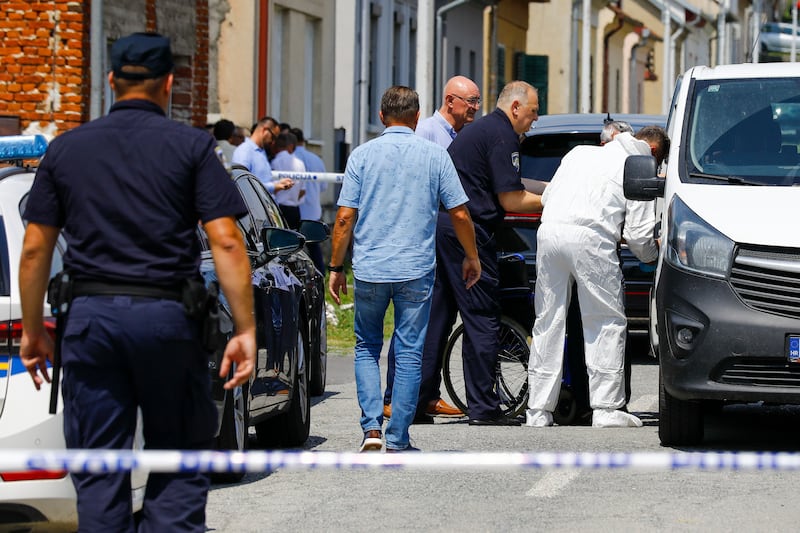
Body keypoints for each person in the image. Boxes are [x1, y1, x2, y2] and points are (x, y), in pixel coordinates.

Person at [18, 32, 256, 531]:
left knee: (100, 469)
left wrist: (34, 328)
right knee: (178, 460)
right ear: (169, 82)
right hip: (169, 320)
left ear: (110, 80)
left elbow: (37, 247)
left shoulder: (66, 149)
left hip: (91, 323)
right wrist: (245, 330)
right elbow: (228, 242)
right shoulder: (192, 146)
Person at [328, 85, 481, 452]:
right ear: (416, 117)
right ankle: (398, 436)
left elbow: (345, 217)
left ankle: (371, 430)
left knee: (366, 346)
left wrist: (335, 266)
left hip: (370, 267)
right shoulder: (434, 155)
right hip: (415, 267)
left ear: (382, 117)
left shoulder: (362, 156)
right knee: (410, 351)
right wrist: (471, 255)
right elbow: (459, 212)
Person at [525, 125, 670, 429]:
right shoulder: (640, 165)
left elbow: (549, 195)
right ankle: (606, 408)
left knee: (548, 321)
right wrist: (655, 255)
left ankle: (538, 410)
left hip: (549, 232)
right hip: (592, 238)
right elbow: (639, 236)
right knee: (605, 321)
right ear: (654, 152)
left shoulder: (579, 153)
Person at [423, 80, 543, 426]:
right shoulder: (503, 135)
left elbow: (510, 183)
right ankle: (484, 408)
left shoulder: (488, 130)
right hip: (466, 232)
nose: (535, 120)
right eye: (533, 112)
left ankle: (417, 400)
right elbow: (510, 199)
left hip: (446, 227)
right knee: (481, 317)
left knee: (438, 317)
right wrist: (554, 199)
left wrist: (549, 186)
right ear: (516, 107)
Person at [383, 75, 482, 421]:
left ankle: (427, 394)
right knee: (414, 317)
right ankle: (394, 396)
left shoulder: (460, 136)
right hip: (424, 233)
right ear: (450, 100)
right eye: (470, 101)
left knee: (439, 318)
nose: (474, 108)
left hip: (445, 234)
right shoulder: (426, 132)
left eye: (477, 102)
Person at [291, 126, 328, 274]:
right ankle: (321, 275)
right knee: (314, 248)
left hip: (295, 210)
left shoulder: (290, 158)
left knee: (292, 248)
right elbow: (324, 186)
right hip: (313, 210)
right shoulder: (316, 159)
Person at [232, 116, 293, 195]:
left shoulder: (261, 151)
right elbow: (242, 185)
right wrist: (274, 186)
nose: (273, 142)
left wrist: (278, 184)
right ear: (265, 130)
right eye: (273, 137)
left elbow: (263, 181)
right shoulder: (244, 151)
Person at [415, 75, 481, 145]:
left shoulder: (470, 136)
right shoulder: (424, 132)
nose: (476, 107)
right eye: (471, 101)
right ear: (450, 101)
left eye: (478, 101)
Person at [270, 132, 306, 229]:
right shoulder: (300, 164)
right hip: (294, 210)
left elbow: (271, 187)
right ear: (291, 146)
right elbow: (303, 191)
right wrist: (292, 198)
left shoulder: (275, 162)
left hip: (278, 209)